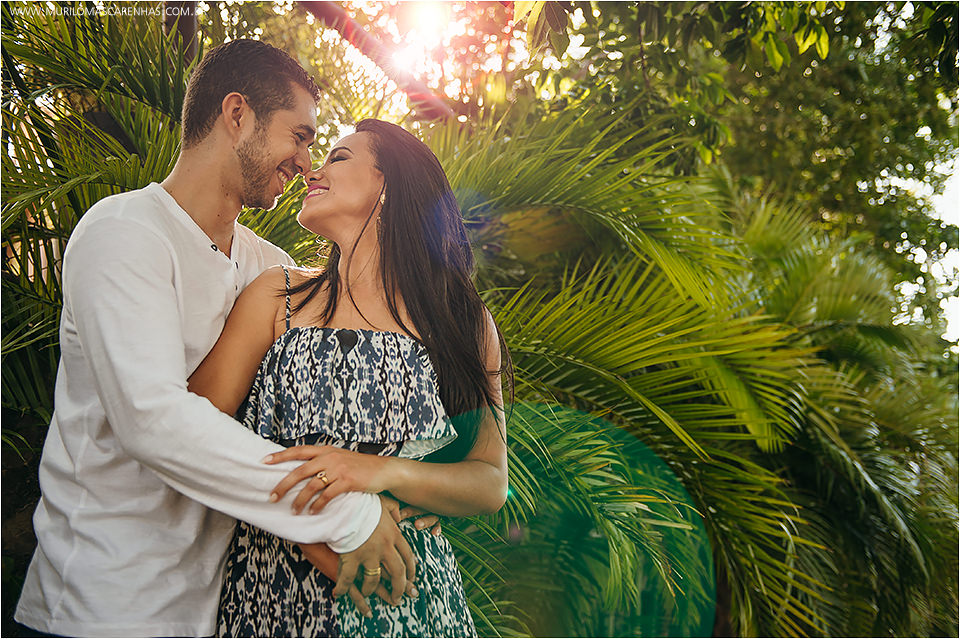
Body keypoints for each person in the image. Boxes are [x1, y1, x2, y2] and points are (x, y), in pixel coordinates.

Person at [14, 41, 417, 637]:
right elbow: (152, 419)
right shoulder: (124, 233)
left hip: (217, 612)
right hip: (101, 603)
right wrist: (346, 511)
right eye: (300, 136)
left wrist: (398, 491)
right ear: (237, 115)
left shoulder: (269, 266)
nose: (307, 163)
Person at [186, 118, 511, 637]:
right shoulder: (280, 296)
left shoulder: (460, 320)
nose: (313, 169)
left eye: (338, 157)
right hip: (273, 593)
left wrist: (380, 473)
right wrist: (314, 531)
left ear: (388, 184)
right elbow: (192, 429)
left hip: (408, 596)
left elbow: (490, 482)